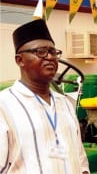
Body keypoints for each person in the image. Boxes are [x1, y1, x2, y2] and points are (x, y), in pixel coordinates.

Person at [0, 19, 90, 174]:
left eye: (53, 52)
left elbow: (80, 158)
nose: (50, 57)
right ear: (20, 60)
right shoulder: (4, 106)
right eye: (40, 52)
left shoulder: (65, 103)